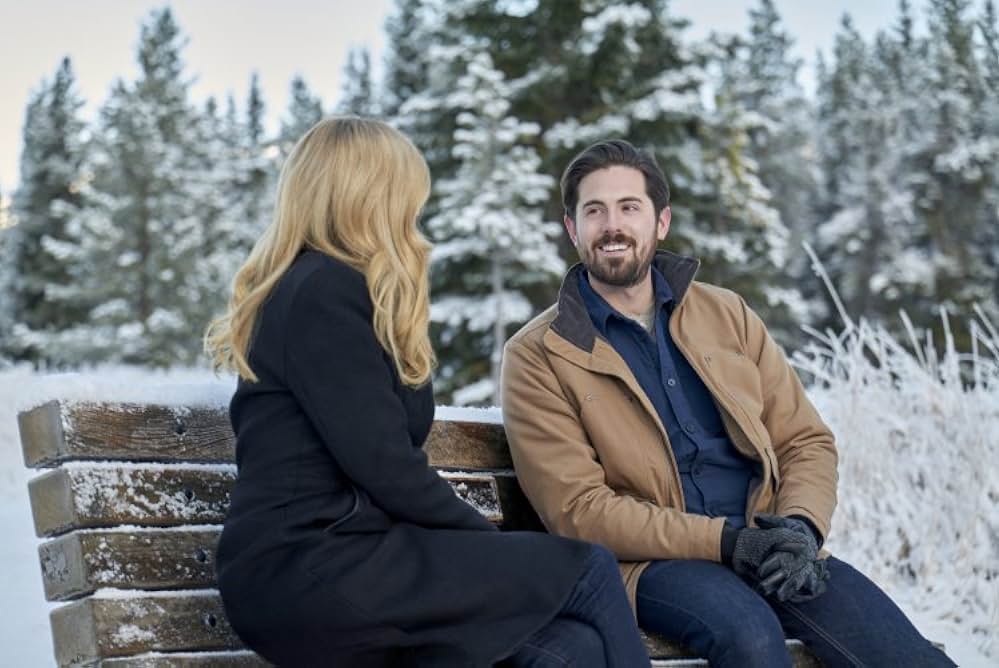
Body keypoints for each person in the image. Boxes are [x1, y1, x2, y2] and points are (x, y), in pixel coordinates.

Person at [203, 118, 649, 667]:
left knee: (564, 651)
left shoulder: (340, 292)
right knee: (588, 568)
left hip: (350, 559)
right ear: (371, 196)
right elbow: (384, 465)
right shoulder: (322, 292)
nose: (414, 215)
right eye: (407, 196)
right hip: (310, 565)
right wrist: (483, 543)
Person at [500, 139, 955, 667]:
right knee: (751, 638)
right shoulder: (540, 355)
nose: (612, 226)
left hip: (768, 544)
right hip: (654, 564)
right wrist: (726, 543)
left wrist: (802, 528)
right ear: (573, 229)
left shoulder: (726, 314)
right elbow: (580, 511)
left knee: (908, 656)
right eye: (594, 211)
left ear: (661, 221)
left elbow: (804, 439)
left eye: (630, 207)